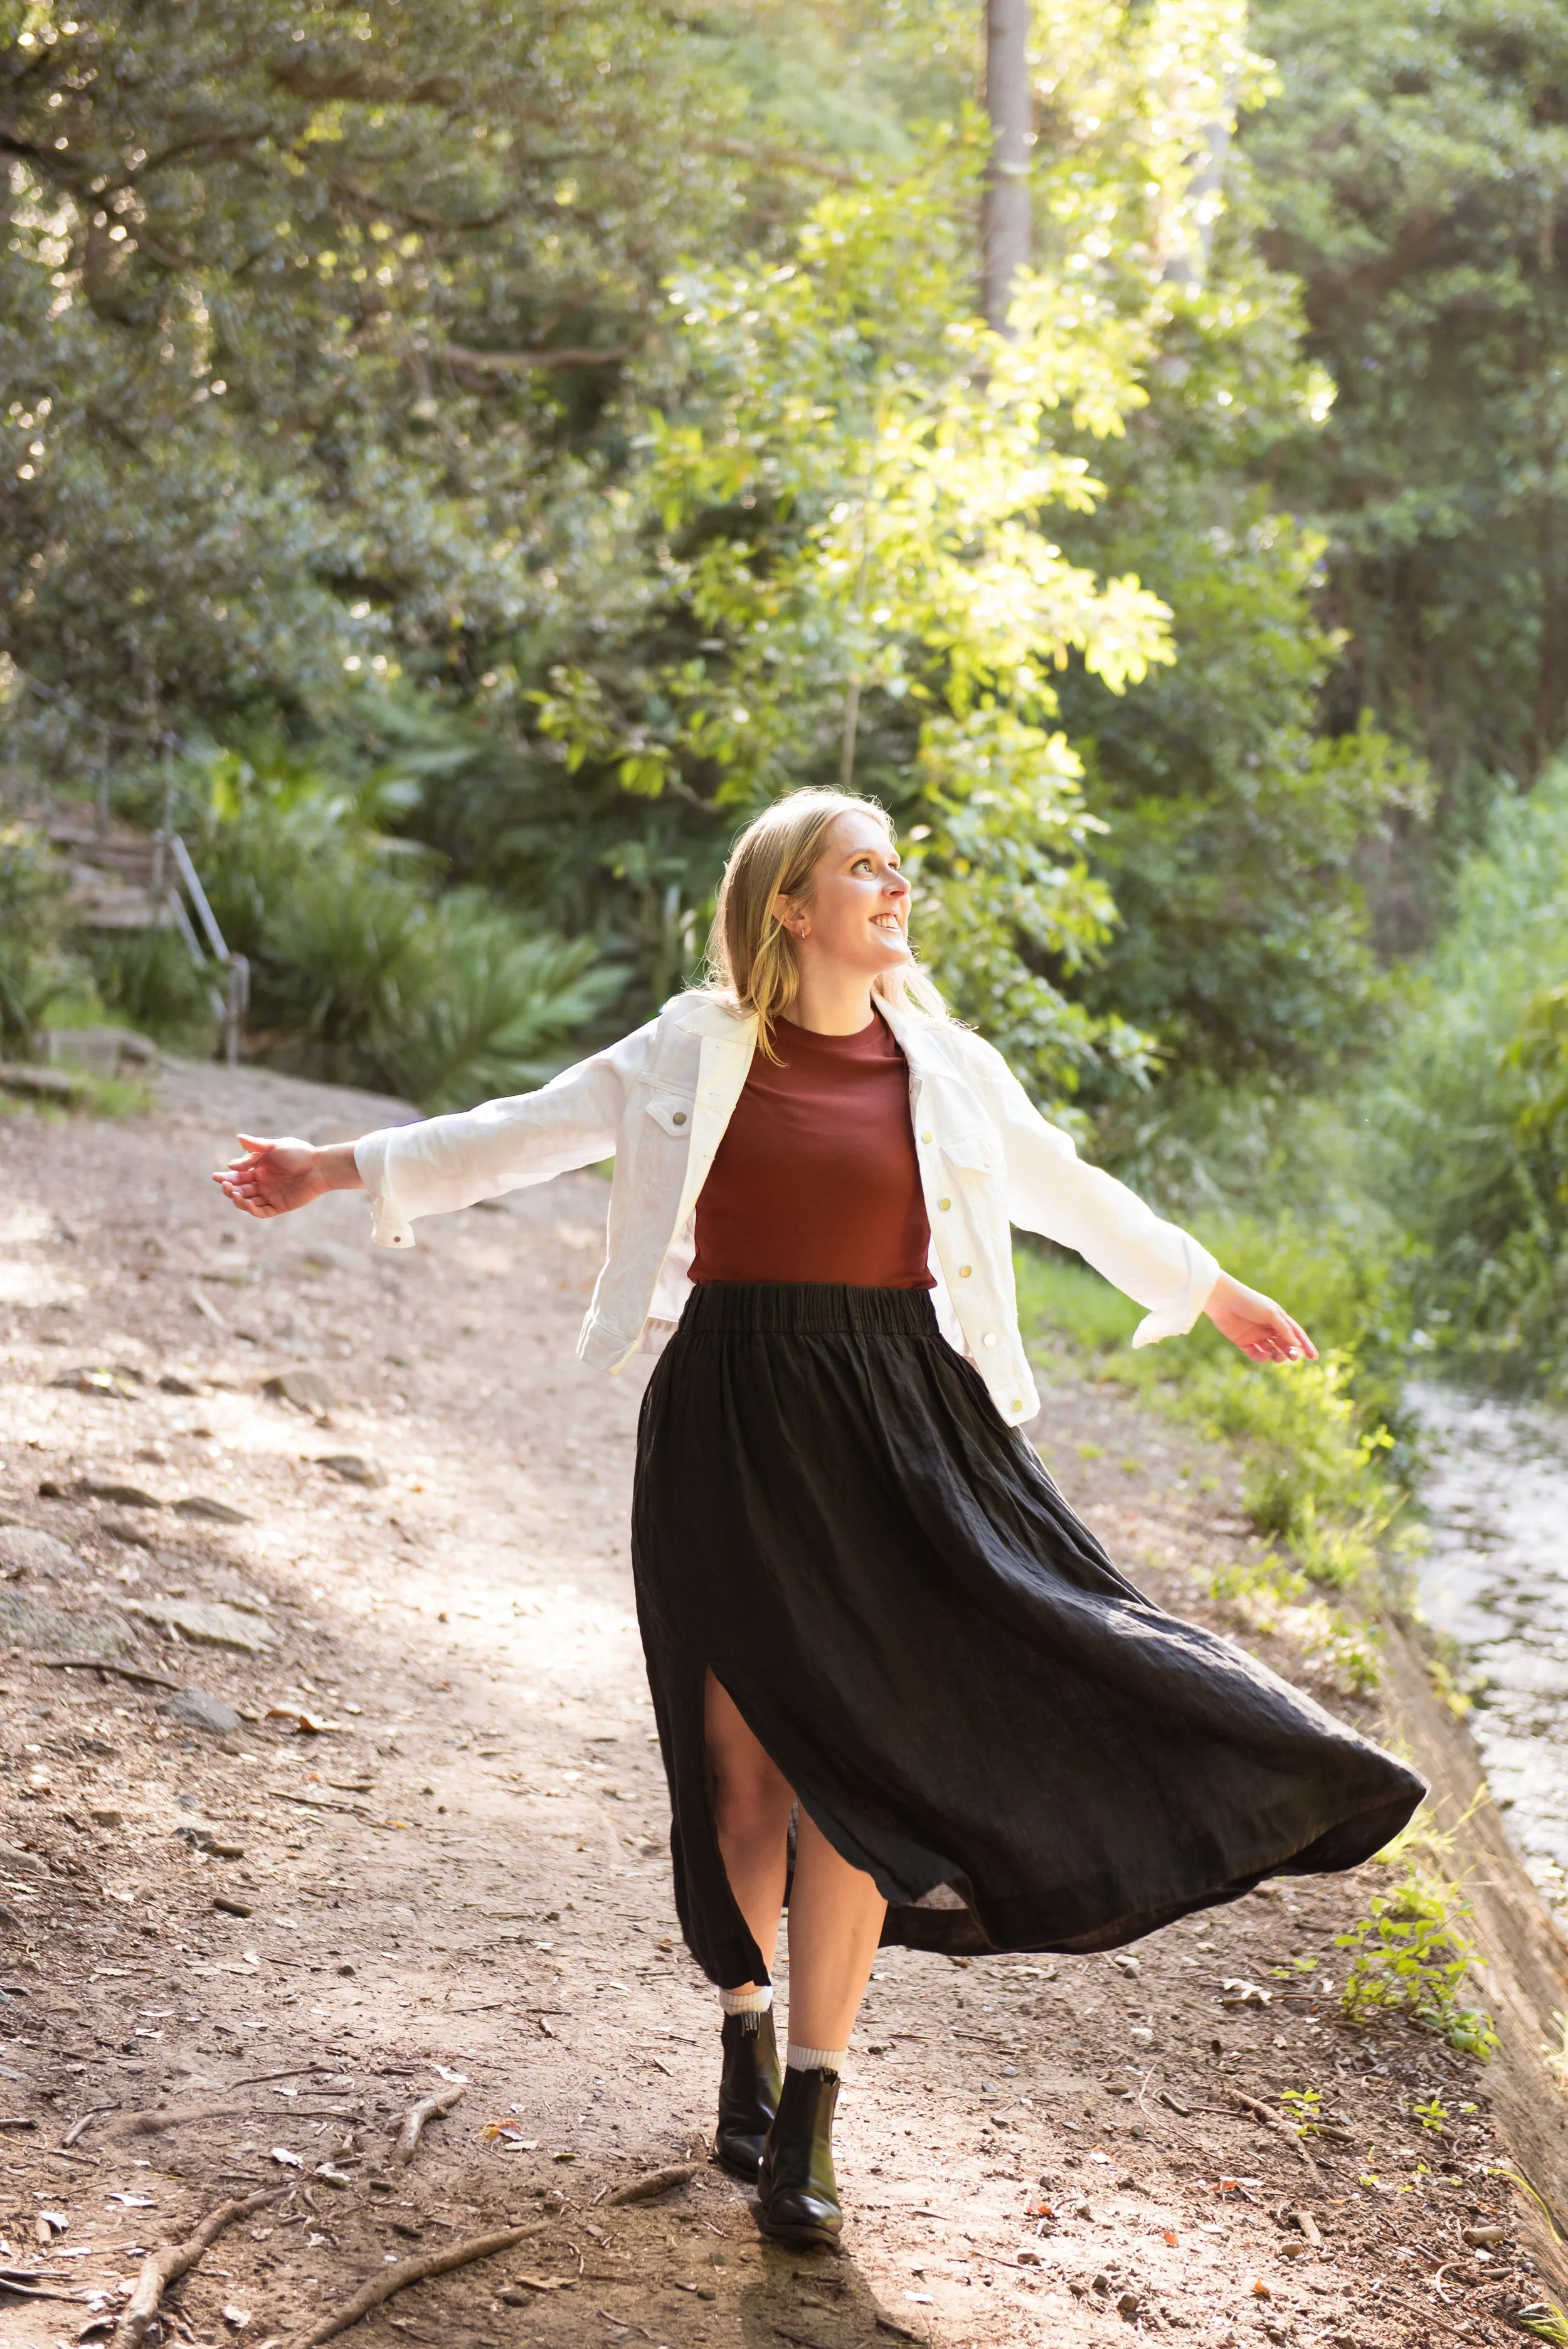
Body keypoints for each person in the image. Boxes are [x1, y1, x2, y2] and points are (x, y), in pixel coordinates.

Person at [214, 786, 1424, 2253]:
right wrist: (324, 1169)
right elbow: (516, 1133)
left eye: (898, 866)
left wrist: (1209, 1288)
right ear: (792, 905)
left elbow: (1067, 1188)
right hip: (728, 1412)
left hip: (898, 1421)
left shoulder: (948, 1066)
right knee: (741, 1783)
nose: (896, 885)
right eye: (867, 867)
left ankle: (809, 2114)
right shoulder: (689, 1046)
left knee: (850, 1761)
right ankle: (743, 2014)